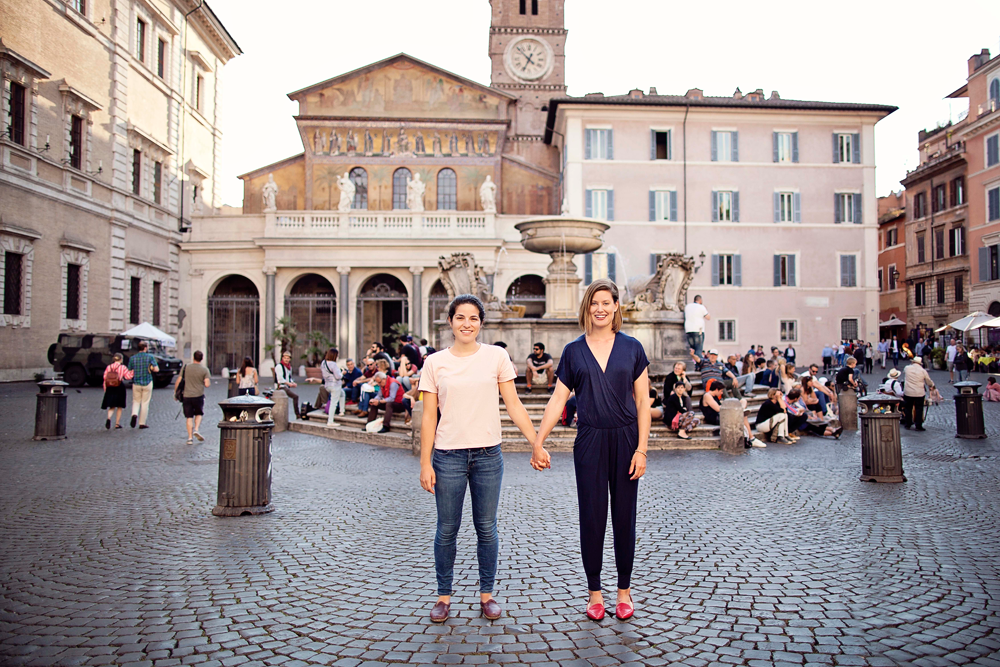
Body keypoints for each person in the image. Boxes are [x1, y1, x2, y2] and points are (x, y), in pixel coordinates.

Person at [530, 279, 650, 621]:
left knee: (625, 518)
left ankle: (624, 592)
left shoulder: (632, 348)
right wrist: (539, 441)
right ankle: (595, 593)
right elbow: (557, 399)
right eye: (594, 303)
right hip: (590, 441)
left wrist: (642, 449)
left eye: (606, 303)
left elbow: (643, 401)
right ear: (587, 308)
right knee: (592, 518)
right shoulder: (573, 351)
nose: (600, 308)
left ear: (616, 307)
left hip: (627, 439)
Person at [418, 294, 538, 623]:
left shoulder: (496, 357)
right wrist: (425, 462)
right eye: (460, 318)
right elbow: (429, 417)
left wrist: (536, 442)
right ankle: (444, 597)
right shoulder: (434, 363)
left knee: (486, 528)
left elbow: (513, 405)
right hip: (447, 456)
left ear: (481, 323)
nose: (467, 324)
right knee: (447, 530)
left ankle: (487, 595)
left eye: (473, 318)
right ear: (451, 322)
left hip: (488, 455)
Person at [175, 350, 211, 445]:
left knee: (189, 417)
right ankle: (196, 429)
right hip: (198, 395)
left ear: (193, 357)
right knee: (199, 413)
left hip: (187, 395)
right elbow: (207, 384)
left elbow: (178, 381)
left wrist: (176, 393)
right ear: (202, 358)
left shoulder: (186, 368)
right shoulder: (204, 370)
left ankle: (190, 438)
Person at [127, 341, 159, 429]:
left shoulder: (133, 358)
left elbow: (129, 370)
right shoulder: (150, 357)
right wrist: (151, 367)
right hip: (147, 381)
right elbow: (156, 369)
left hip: (136, 382)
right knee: (145, 403)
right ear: (145, 348)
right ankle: (142, 423)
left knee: (136, 401)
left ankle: (134, 414)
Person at [902, 356, 935, 431]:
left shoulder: (907, 368)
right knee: (919, 408)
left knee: (908, 408)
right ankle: (918, 425)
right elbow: (928, 380)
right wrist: (931, 385)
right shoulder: (923, 371)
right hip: (919, 392)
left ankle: (908, 423)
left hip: (908, 391)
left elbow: (904, 372)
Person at [102, 353, 133, 429]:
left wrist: (105, 387)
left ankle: (109, 418)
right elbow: (128, 377)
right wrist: (132, 372)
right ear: (121, 359)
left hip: (110, 386)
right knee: (119, 406)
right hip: (119, 386)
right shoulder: (122, 367)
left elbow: (105, 377)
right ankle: (117, 423)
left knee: (112, 405)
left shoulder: (109, 367)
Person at [315, 348, 344, 424]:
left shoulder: (323, 363)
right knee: (333, 403)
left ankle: (342, 411)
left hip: (327, 385)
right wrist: (342, 373)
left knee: (342, 394)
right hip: (335, 385)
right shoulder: (333, 364)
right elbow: (338, 377)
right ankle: (330, 421)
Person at [274, 351, 301, 418]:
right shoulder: (279, 366)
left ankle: (297, 414)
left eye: (288, 358)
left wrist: (292, 383)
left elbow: (289, 377)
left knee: (294, 397)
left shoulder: (289, 367)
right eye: (285, 358)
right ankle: (297, 414)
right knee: (295, 396)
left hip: (286, 386)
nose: (286, 360)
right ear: (282, 358)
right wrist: (288, 383)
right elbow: (280, 379)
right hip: (280, 387)